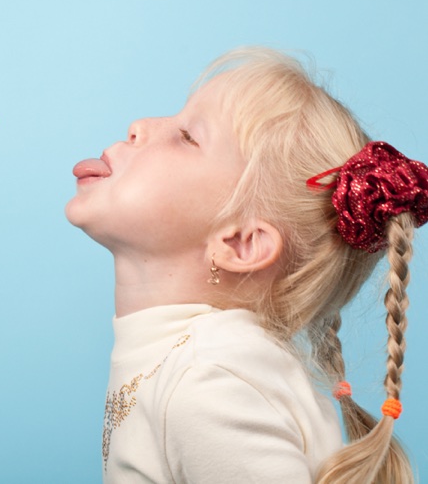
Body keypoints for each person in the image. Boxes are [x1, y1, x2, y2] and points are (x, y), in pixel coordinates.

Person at [65, 48, 425, 483]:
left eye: (188, 137)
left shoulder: (211, 381)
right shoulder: (200, 363)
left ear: (240, 243)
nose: (139, 126)